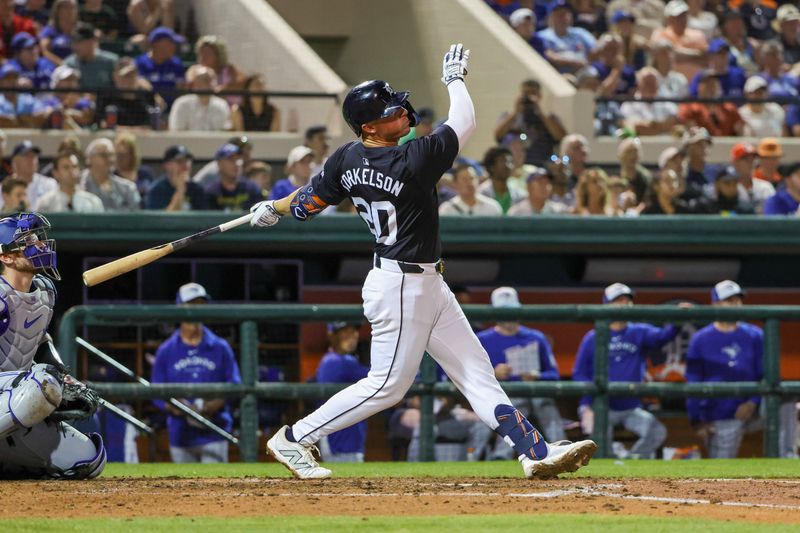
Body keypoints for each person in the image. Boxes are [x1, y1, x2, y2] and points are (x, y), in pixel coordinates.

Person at [249, 44, 597, 480]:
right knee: (387, 386)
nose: (404, 115)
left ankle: (534, 450)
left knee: (475, 371)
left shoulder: (346, 157)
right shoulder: (413, 159)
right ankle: (296, 438)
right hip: (401, 286)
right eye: (393, 112)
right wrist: (454, 79)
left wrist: (273, 209)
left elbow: (307, 203)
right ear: (371, 125)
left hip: (424, 284)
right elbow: (466, 121)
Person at [0, 212, 106, 479]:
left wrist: (66, 379)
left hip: (12, 400)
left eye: (38, 239)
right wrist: (43, 382)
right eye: (29, 241)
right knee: (42, 384)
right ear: (6, 256)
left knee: (90, 460)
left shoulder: (45, 292)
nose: (40, 245)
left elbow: (35, 346)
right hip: (11, 392)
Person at [572, 283, 675, 459]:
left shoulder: (639, 331)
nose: (624, 304)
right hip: (602, 406)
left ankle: (630, 462)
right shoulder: (593, 337)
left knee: (657, 431)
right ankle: (608, 468)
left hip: (630, 407)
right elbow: (579, 374)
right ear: (607, 305)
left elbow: (663, 337)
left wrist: (677, 323)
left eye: (627, 300)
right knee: (598, 441)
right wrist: (588, 406)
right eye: (618, 300)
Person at [152, 282, 242, 463]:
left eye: (200, 304)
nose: (196, 309)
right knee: (183, 488)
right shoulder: (166, 350)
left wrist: (211, 405)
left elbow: (235, 385)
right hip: (180, 432)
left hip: (214, 430)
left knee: (217, 488)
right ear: (180, 308)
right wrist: (176, 406)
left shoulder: (220, 346)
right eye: (191, 304)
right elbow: (155, 393)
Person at [478, 287, 566, 458]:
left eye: (512, 310)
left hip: (535, 393)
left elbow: (554, 375)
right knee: (513, 405)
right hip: (502, 394)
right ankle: (500, 456)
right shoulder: (482, 339)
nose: (509, 316)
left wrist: (537, 376)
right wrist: (493, 373)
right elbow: (471, 374)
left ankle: (564, 449)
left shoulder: (536, 337)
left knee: (543, 401)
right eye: (504, 311)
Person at [685, 280, 762, 458]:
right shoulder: (701, 339)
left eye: (738, 300)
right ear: (716, 304)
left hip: (755, 409)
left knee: (786, 402)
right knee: (721, 471)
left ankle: (787, 459)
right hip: (721, 413)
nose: (735, 304)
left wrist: (752, 402)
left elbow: (766, 374)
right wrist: (696, 420)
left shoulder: (756, 335)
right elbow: (693, 381)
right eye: (729, 300)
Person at [314, 322, 370, 463]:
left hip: (348, 434)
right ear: (332, 335)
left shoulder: (346, 360)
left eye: (353, 331)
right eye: (344, 332)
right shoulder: (335, 361)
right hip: (339, 438)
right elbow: (380, 379)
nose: (351, 336)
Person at [494, 79, 565, 167]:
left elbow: (560, 137)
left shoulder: (550, 117)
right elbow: (498, 135)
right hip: (515, 166)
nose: (529, 97)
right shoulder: (508, 116)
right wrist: (516, 112)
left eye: (533, 93)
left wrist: (540, 110)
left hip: (543, 165)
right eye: (526, 93)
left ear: (540, 95)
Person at [649, 0, 708, 82]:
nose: (682, 19)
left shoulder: (698, 35)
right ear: (669, 18)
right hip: (671, 85)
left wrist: (678, 53)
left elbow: (706, 58)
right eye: (678, 16)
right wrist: (696, 55)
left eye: (684, 15)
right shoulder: (660, 34)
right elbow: (668, 56)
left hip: (696, 85)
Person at [537, 0, 598, 74]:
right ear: (551, 17)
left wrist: (587, 61)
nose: (563, 17)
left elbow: (596, 50)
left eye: (566, 14)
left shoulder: (580, 33)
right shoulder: (542, 36)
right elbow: (548, 54)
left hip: (582, 73)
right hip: (557, 74)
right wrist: (573, 62)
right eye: (559, 14)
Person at [80, 137, 140, 211]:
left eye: (112, 155)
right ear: (89, 159)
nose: (110, 159)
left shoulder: (128, 189)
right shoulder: (79, 186)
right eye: (104, 155)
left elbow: (136, 217)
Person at [95, 58, 155, 128]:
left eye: (132, 74)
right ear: (115, 76)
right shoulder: (106, 96)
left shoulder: (146, 94)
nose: (129, 78)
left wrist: (152, 91)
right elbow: (102, 124)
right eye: (124, 75)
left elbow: (155, 121)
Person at [134, 26, 185, 107]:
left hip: (172, 109)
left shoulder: (176, 63)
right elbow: (139, 81)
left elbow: (181, 87)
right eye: (170, 43)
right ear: (156, 44)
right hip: (147, 108)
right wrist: (154, 96)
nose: (173, 46)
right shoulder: (141, 62)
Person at [679, 72, 743, 136]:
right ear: (699, 86)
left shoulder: (728, 107)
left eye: (714, 83)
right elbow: (689, 127)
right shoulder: (689, 106)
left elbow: (739, 129)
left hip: (726, 143)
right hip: (701, 143)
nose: (711, 87)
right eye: (707, 83)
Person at [36, 151, 103, 213]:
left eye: (74, 166)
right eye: (66, 167)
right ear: (56, 173)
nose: (71, 171)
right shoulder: (46, 203)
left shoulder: (93, 201)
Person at [204, 142, 264, 211]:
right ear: (219, 164)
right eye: (231, 160)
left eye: (239, 159)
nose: (236, 164)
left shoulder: (252, 189)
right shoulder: (211, 192)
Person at [168, 66, 231, 131]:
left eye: (211, 79)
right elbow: (176, 132)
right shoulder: (181, 103)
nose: (208, 83)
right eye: (204, 79)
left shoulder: (222, 104)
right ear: (193, 84)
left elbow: (224, 133)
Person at [146, 144, 207, 211]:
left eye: (187, 161)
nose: (185, 165)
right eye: (180, 161)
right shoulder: (157, 190)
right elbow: (163, 219)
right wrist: (180, 190)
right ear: (167, 165)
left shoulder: (197, 189)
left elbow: (203, 218)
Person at [620, 67, 678, 136]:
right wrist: (661, 126)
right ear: (638, 84)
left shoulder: (666, 102)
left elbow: (674, 121)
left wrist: (651, 126)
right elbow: (634, 127)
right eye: (647, 82)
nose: (650, 86)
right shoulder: (629, 104)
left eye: (653, 82)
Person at [63, 22, 118, 90]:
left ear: (92, 42)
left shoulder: (111, 62)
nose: (74, 46)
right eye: (73, 42)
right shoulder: (69, 63)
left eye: (79, 42)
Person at [193, 35, 245, 104]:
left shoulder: (229, 69)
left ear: (218, 55)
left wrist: (225, 88)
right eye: (201, 53)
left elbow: (244, 82)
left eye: (207, 53)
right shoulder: (195, 71)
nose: (203, 56)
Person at [478, 146, 527, 214]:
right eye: (502, 161)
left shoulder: (520, 195)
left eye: (510, 162)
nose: (508, 166)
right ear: (491, 166)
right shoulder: (480, 194)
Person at [9, 141, 56, 210]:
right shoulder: (4, 188)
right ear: (15, 162)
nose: (32, 160)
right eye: (27, 156)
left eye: (34, 156)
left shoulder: (49, 184)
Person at [730, 142, 774, 213]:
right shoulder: (728, 188)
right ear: (734, 162)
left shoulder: (765, 187)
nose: (750, 163)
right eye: (745, 159)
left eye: (753, 159)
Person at [114, 132, 155, 198]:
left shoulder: (145, 174)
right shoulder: (113, 176)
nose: (120, 159)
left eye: (123, 155)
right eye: (117, 155)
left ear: (132, 155)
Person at [40, 0, 76, 65]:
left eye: (72, 7)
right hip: (55, 67)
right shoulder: (50, 30)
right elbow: (44, 51)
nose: (69, 10)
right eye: (65, 7)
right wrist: (62, 64)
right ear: (58, 10)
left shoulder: (79, 29)